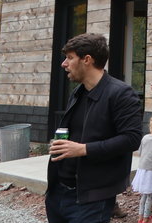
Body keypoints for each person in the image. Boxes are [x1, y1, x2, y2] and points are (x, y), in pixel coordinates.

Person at [46, 34, 142, 223]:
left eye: (70, 58)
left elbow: (131, 139)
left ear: (87, 60)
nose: (64, 64)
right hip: (58, 193)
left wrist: (83, 149)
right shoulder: (78, 92)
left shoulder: (121, 94)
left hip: (91, 200)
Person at [131, 113, 152, 223]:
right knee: (150, 197)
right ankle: (146, 219)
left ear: (151, 125)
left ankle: (140, 218)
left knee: (143, 196)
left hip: (142, 169)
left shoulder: (145, 137)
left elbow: (140, 152)